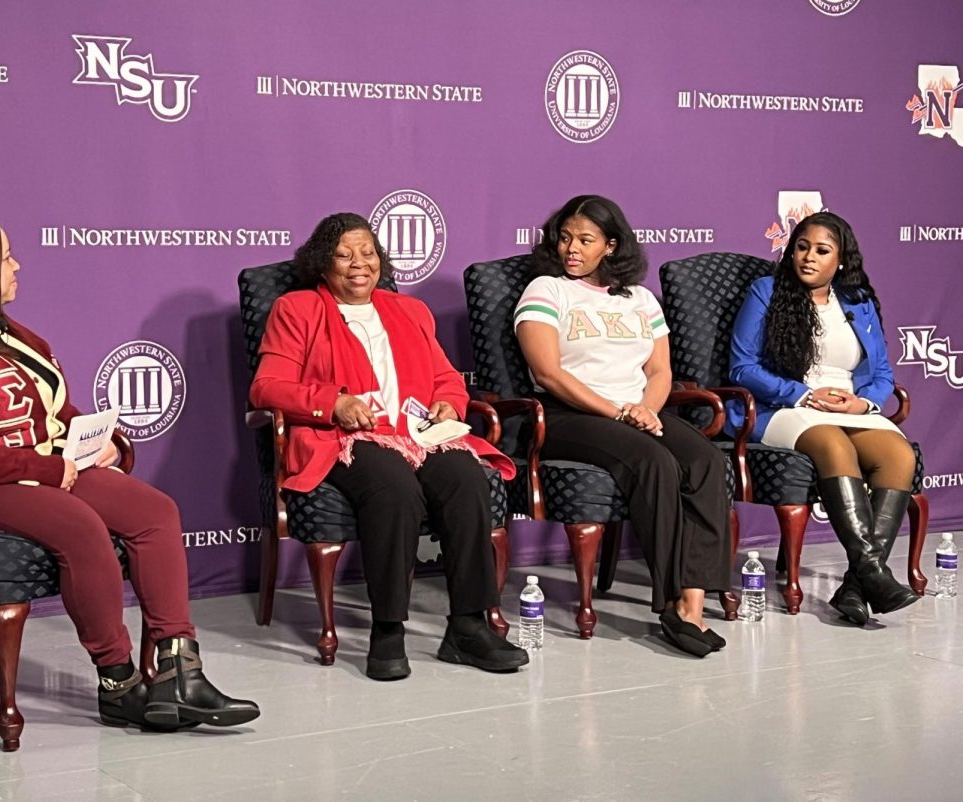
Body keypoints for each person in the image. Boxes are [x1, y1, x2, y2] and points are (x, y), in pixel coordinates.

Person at [0, 211, 259, 730]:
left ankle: (178, 671)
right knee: (75, 521)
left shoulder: (5, 332)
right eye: (5, 257)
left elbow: (49, 410)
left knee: (153, 510)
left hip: (31, 469)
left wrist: (91, 441)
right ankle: (119, 683)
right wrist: (48, 468)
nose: (17, 266)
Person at [249, 212, 528, 680]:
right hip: (341, 438)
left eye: (368, 253)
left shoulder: (409, 311)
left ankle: (467, 627)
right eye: (344, 255)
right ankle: (388, 630)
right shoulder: (296, 310)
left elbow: (445, 377)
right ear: (322, 264)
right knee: (393, 485)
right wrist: (331, 402)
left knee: (465, 478)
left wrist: (449, 403)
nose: (359, 263)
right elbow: (266, 387)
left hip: (416, 433)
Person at [514, 195, 733, 658]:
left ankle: (692, 606)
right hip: (565, 414)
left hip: (636, 411)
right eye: (565, 237)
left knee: (705, 461)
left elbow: (660, 373)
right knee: (653, 460)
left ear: (611, 246)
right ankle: (669, 599)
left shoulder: (641, 299)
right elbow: (550, 373)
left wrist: (647, 411)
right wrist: (618, 413)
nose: (571, 248)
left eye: (585, 240)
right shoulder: (546, 290)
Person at [728, 211, 918, 624]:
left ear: (842, 260)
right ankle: (873, 574)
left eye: (821, 250)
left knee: (899, 455)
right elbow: (742, 368)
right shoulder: (767, 291)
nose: (808, 257)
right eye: (801, 247)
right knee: (832, 443)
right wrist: (804, 394)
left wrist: (863, 403)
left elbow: (883, 373)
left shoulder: (858, 302)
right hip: (785, 407)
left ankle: (856, 584)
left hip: (848, 408)